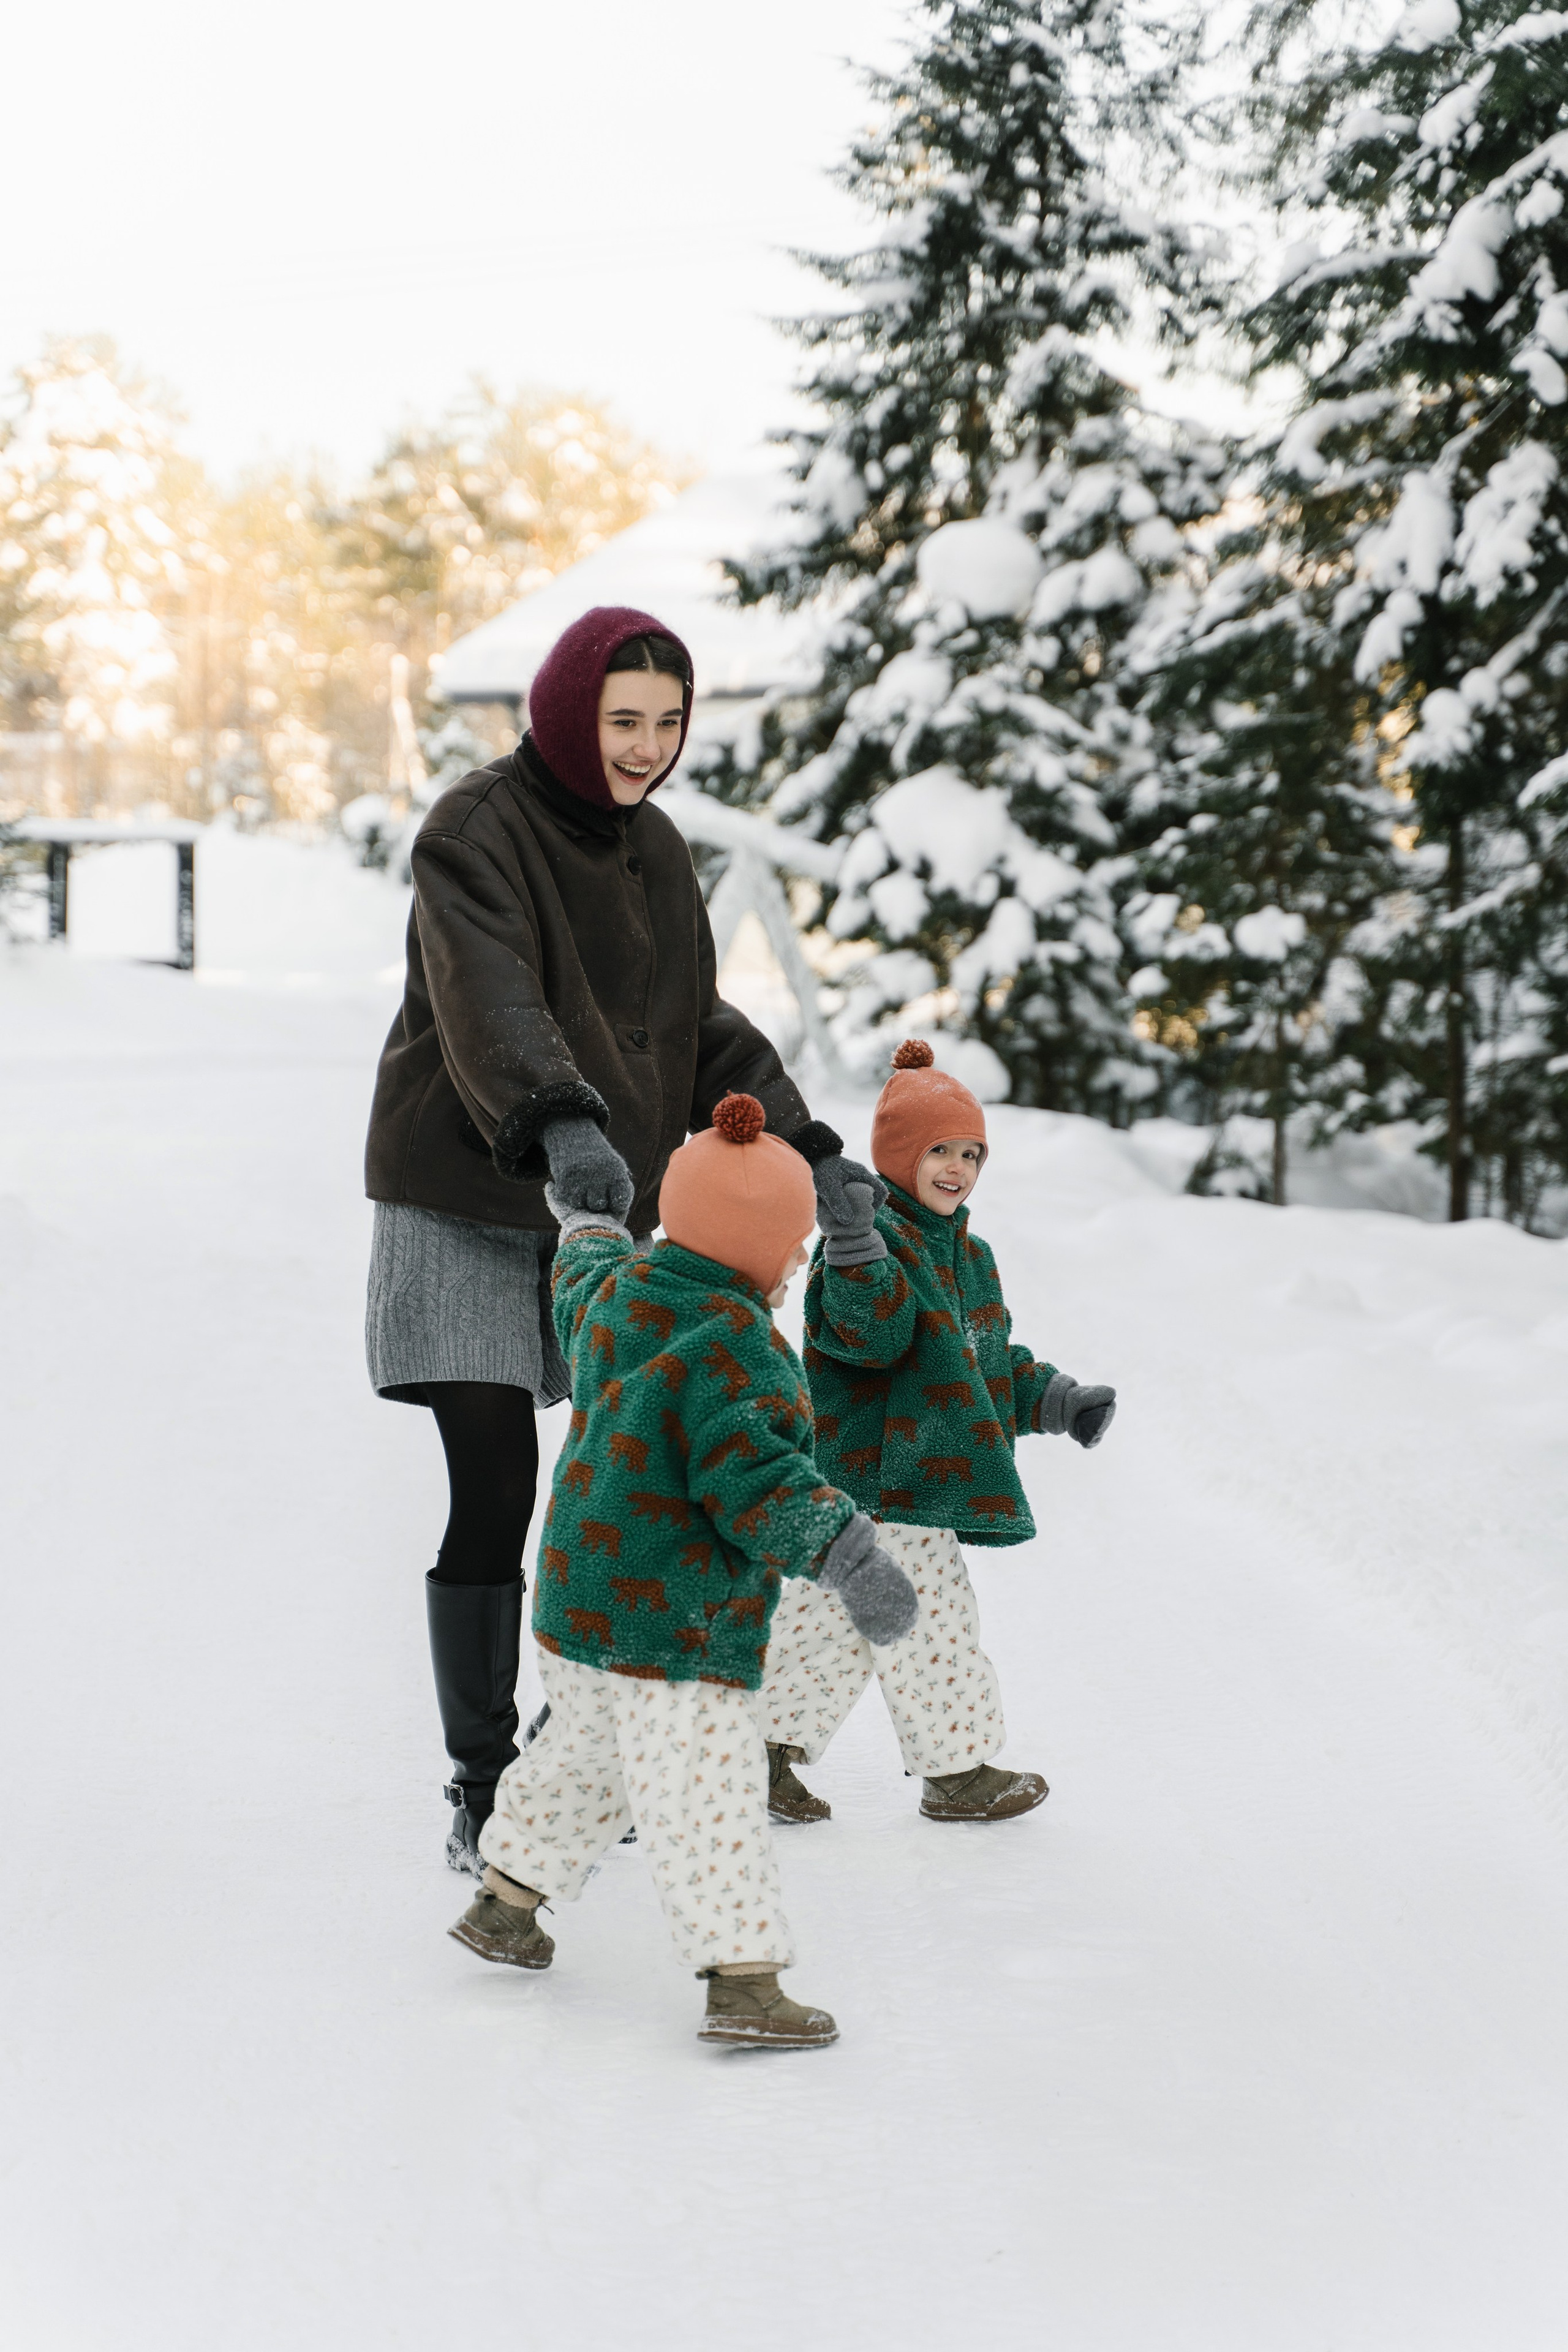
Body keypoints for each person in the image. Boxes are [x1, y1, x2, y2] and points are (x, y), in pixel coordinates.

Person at [363, 606, 881, 1872]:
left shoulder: (653, 848)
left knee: (617, 1477)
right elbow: (489, 997)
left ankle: (576, 1748)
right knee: (496, 1485)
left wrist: (808, 1145)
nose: (647, 747)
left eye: (666, 722)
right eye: (622, 721)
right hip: (466, 1189)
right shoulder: (473, 831)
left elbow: (694, 1028)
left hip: (593, 1209)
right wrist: (557, 1119)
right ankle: (484, 1784)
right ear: (564, 712)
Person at [447, 1094, 919, 2048]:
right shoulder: (739, 1350)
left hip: (580, 1606)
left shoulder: (621, 1296)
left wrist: (587, 1222)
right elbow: (760, 1482)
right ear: (752, 1248)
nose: (799, 1262)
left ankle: (507, 1900)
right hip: (678, 1630)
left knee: (585, 1758)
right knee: (707, 1796)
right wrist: (849, 1554)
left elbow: (580, 1273)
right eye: (791, 1245)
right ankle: (743, 1981)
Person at [760, 1039, 1118, 1825]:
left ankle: (756, 1752)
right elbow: (872, 1336)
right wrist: (855, 1245)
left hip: (906, 1486)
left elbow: (983, 1361)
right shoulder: (861, 1245)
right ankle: (956, 1773)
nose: (957, 1168)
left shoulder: (970, 1255)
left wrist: (1060, 1402)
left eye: (970, 1153)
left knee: (829, 1627)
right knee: (934, 1628)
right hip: (880, 1478)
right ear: (898, 1156)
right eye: (938, 1152)